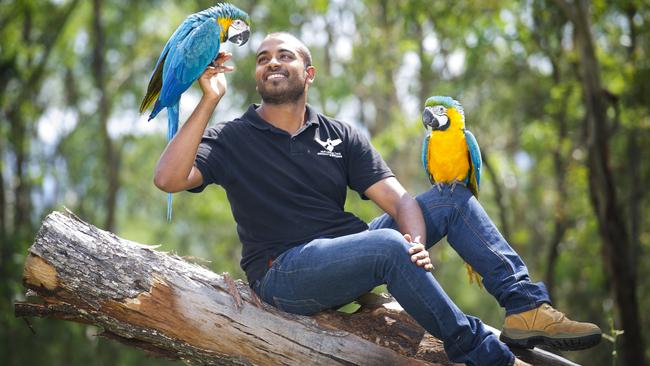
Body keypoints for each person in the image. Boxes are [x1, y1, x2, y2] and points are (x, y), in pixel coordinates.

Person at [153, 32, 601, 366]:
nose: (271, 62)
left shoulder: (339, 134)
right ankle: (481, 353)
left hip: (350, 250)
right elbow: (168, 179)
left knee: (451, 198)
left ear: (307, 74)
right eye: (263, 58)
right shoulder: (233, 137)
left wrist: (416, 242)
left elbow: (401, 200)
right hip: (283, 272)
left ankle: (526, 309)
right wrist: (208, 100)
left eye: (284, 55)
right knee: (388, 248)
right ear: (257, 76)